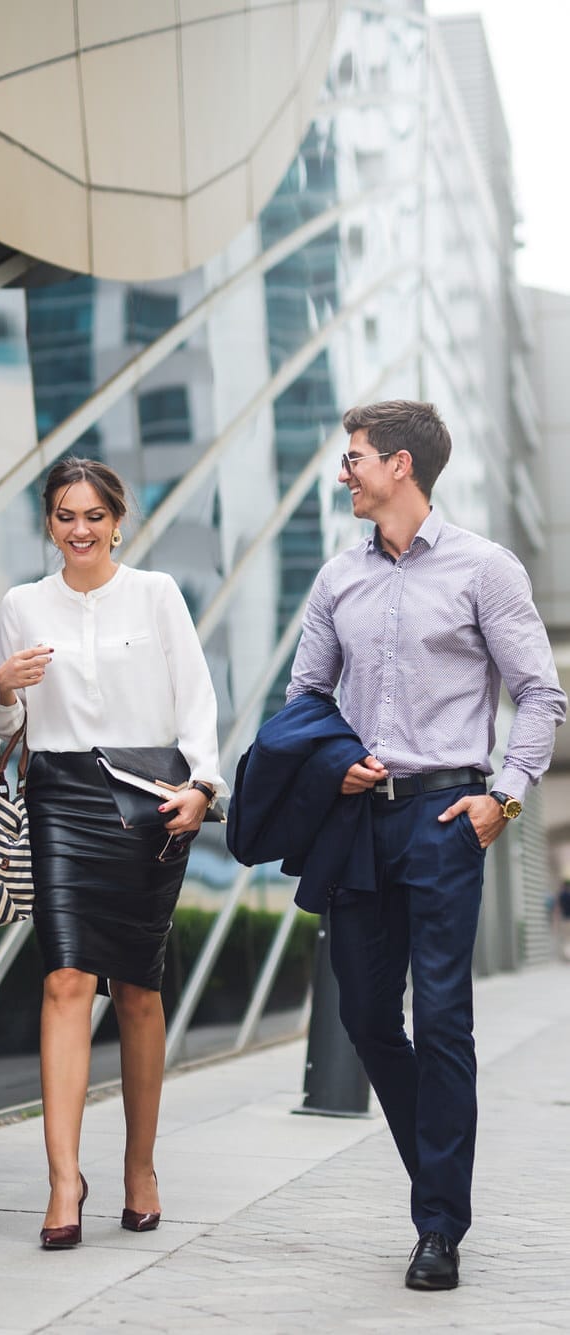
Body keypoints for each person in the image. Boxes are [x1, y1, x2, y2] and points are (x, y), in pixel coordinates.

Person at [286, 400, 565, 1291]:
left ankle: (438, 1223)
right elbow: (305, 703)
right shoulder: (337, 579)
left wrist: (505, 801)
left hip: (449, 816)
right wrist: (335, 767)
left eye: (356, 457)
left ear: (401, 466)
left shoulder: (486, 569)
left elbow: (540, 694)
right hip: (360, 821)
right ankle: (438, 1179)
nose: (345, 471)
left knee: (442, 1017)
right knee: (367, 1014)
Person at [0, 457, 224, 1249]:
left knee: (136, 988)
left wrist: (203, 785)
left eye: (94, 514)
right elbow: (4, 731)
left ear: (117, 519)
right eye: (65, 515)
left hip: (149, 796)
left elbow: (196, 697)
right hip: (60, 794)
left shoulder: (157, 594)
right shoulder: (22, 604)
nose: (80, 529)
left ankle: (140, 1167)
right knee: (64, 978)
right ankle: (63, 1181)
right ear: (49, 523)